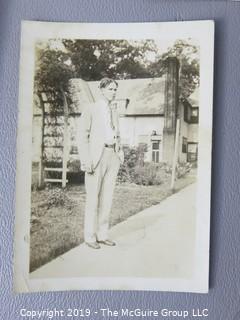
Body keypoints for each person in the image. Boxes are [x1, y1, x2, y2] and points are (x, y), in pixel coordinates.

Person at [78, 78, 124, 249]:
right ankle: (90, 237)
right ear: (102, 90)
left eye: (115, 89)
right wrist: (86, 160)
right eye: (111, 89)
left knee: (107, 198)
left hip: (112, 156)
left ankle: (103, 234)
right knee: (92, 199)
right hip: (96, 157)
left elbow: (117, 133)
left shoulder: (114, 111)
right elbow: (82, 135)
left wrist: (120, 152)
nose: (114, 92)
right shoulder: (91, 109)